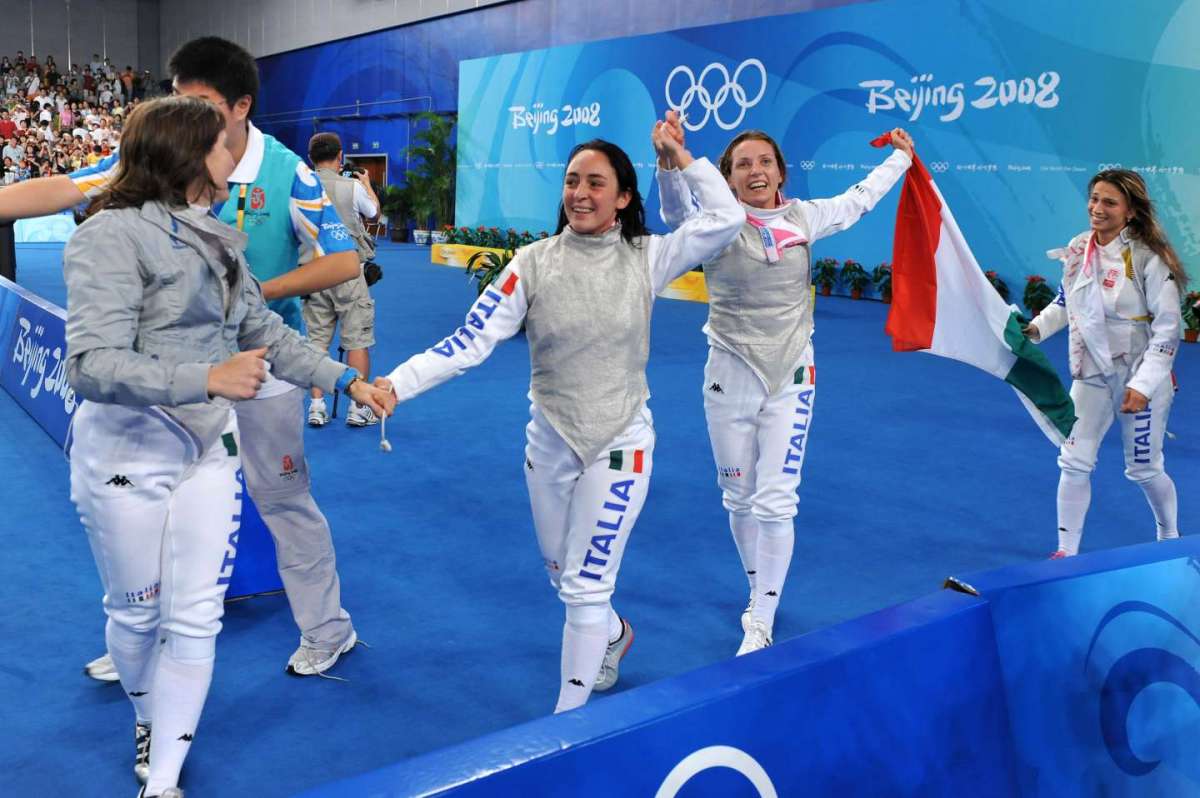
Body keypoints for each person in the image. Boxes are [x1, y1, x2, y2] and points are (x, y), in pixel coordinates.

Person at [0, 36, 366, 681]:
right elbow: (59, 189)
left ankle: (328, 630)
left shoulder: (288, 172)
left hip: (263, 371)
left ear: (240, 106)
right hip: (177, 383)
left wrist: (243, 292)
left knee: (285, 502)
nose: (182, 113)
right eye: (175, 99)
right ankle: (137, 642)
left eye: (198, 102)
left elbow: (342, 261)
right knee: (157, 509)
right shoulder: (166, 152)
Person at [65, 95, 394, 798]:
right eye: (223, 148)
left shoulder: (217, 236)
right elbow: (91, 364)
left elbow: (267, 336)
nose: (234, 158)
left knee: (195, 620)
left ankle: (163, 781)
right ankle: (145, 714)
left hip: (205, 455)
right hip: (125, 454)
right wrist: (205, 377)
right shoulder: (108, 236)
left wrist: (346, 381)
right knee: (134, 616)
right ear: (187, 155)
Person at [377, 113, 744, 713]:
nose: (580, 193)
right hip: (549, 440)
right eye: (573, 180)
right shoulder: (532, 261)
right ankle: (615, 635)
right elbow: (470, 341)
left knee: (584, 585)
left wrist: (679, 155)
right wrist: (398, 383)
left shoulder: (648, 256)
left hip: (622, 440)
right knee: (562, 575)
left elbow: (726, 219)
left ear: (624, 198)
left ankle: (565, 723)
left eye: (596, 183)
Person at [659, 123, 913, 656]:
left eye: (765, 162)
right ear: (727, 177)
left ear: (780, 171)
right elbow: (676, 217)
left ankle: (761, 617)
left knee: (776, 502)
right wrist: (667, 163)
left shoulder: (804, 217)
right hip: (729, 376)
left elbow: (858, 201)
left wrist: (901, 160)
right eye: (743, 164)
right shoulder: (718, 224)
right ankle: (759, 588)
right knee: (738, 496)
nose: (756, 171)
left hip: (792, 377)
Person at [1026, 169, 1185, 557]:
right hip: (1092, 373)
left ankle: (1169, 539)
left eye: (1109, 202)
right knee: (1074, 460)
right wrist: (1033, 329)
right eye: (1094, 199)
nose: (1097, 208)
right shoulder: (1080, 247)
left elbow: (1168, 331)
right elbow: (1066, 304)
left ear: (1131, 211)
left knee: (1144, 470)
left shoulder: (1149, 258)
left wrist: (1142, 386)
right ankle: (1066, 550)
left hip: (1140, 377)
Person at [302, 131, 381, 428]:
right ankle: (358, 408)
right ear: (340, 156)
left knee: (316, 342)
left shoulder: (300, 186)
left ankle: (317, 406)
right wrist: (368, 186)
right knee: (356, 340)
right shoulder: (351, 187)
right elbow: (373, 214)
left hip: (312, 272)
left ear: (311, 158)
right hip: (348, 271)